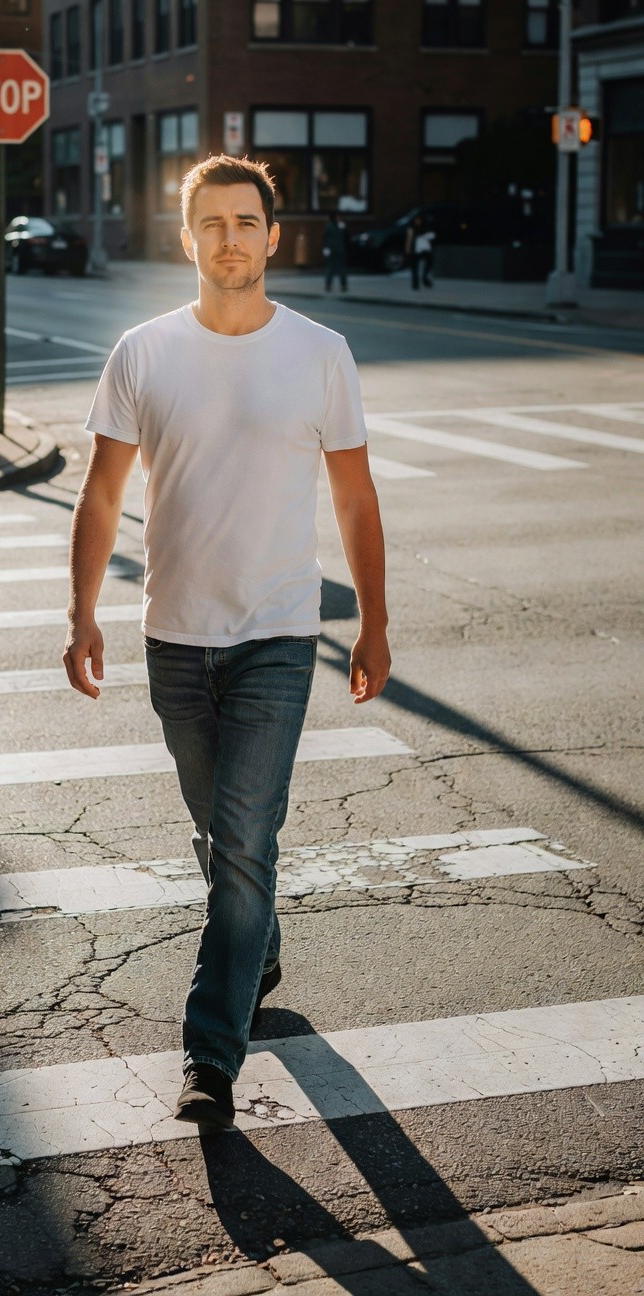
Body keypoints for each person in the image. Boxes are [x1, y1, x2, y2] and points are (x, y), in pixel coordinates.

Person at [63, 155, 390, 1131]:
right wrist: (82, 613)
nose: (232, 240)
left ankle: (210, 1052)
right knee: (222, 839)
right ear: (186, 236)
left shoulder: (321, 352)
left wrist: (375, 618)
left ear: (274, 236)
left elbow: (356, 496)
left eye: (247, 223)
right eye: (212, 224)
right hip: (174, 638)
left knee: (244, 837)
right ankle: (263, 939)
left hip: (280, 637)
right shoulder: (143, 352)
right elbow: (104, 492)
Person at [405, 212, 435, 289]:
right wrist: (408, 247)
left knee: (429, 262)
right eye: (416, 220)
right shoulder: (412, 228)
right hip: (415, 249)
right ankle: (416, 284)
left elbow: (430, 237)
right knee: (415, 267)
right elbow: (409, 238)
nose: (417, 221)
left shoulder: (425, 227)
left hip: (425, 249)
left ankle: (424, 278)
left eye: (419, 220)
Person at [322, 212, 349, 292]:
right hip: (336, 250)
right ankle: (335, 285)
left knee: (334, 269)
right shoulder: (338, 226)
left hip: (335, 250)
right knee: (336, 269)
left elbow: (325, 238)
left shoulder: (331, 226)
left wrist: (325, 248)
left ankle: (332, 285)